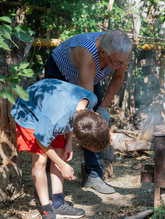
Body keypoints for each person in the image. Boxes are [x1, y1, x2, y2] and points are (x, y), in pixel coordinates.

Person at [11, 78, 110, 219]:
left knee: (59, 151)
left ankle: (58, 204)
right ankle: (47, 210)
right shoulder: (56, 119)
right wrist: (62, 165)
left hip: (51, 108)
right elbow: (41, 142)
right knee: (41, 160)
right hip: (29, 111)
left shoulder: (91, 100)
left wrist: (68, 143)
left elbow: (75, 118)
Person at [44, 30, 132, 194]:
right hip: (59, 74)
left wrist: (104, 107)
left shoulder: (123, 50)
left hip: (90, 77)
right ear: (102, 53)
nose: (122, 66)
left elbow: (118, 78)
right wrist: (98, 119)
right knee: (57, 125)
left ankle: (93, 174)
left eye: (124, 62)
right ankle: (49, 178)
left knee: (96, 120)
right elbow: (87, 112)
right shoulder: (87, 55)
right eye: (118, 63)